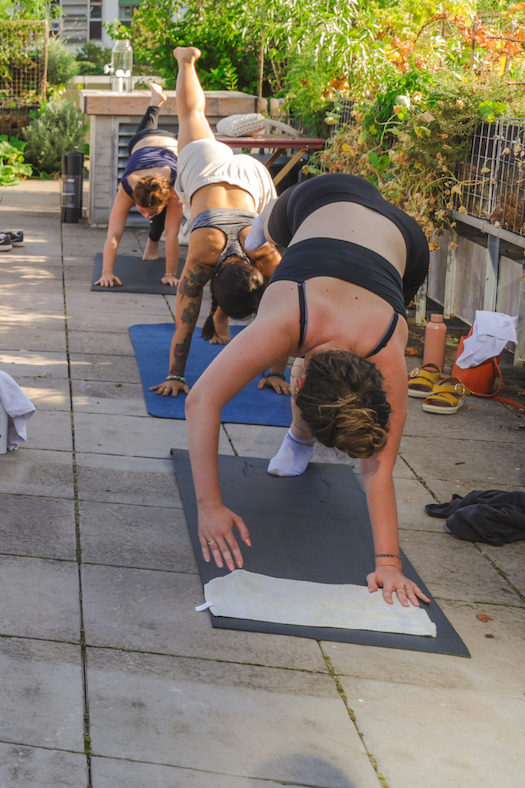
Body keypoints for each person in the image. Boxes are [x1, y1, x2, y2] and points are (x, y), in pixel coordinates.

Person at [182, 172, 432, 609]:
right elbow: (201, 400)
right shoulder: (283, 322)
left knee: (353, 413)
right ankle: (299, 438)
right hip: (321, 197)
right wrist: (208, 505)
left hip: (406, 246)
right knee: (263, 234)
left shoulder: (389, 346)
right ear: (297, 378)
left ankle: (299, 439)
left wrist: (389, 564)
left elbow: (378, 464)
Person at [149, 47, 281, 398]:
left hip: (251, 182)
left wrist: (177, 376)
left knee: (192, 113)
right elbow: (284, 314)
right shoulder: (265, 259)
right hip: (224, 175)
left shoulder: (223, 256)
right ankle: (185, 61)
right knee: (189, 113)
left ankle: (186, 60)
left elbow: (185, 324)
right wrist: (276, 373)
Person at [95, 81, 185, 288]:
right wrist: (107, 272)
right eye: (142, 210)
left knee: (162, 220)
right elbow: (114, 235)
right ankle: (156, 101)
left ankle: (156, 102)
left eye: (148, 212)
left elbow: (172, 235)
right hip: (141, 142)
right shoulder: (127, 187)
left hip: (174, 144)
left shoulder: (175, 189)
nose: (144, 216)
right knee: (143, 132)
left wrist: (171, 273)